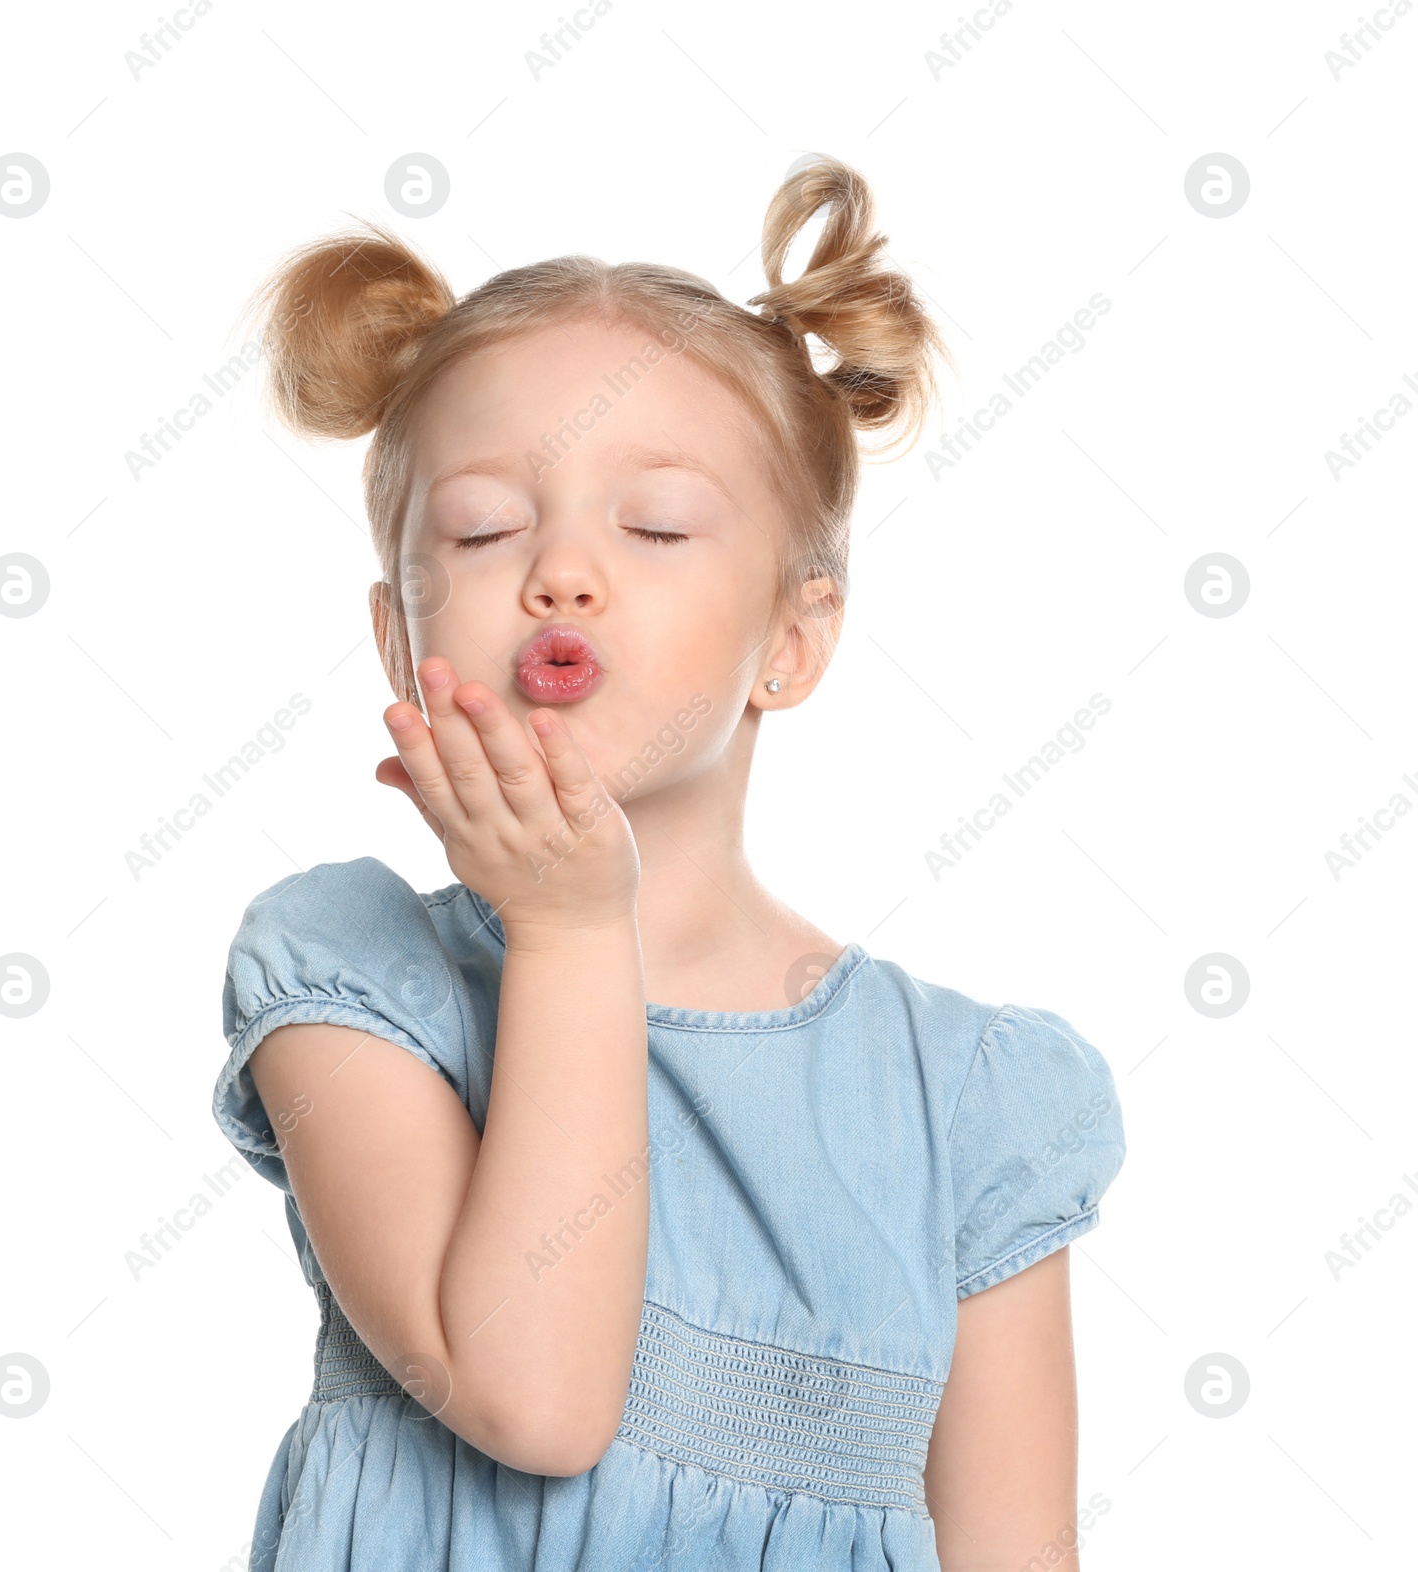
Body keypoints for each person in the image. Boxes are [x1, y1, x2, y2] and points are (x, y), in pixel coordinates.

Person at [212, 156, 1127, 1571]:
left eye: (653, 527)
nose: (561, 573)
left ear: (793, 641)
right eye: (482, 529)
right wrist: (574, 933)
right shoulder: (350, 975)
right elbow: (537, 1398)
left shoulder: (969, 1104)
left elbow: (1017, 1552)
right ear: (401, 641)